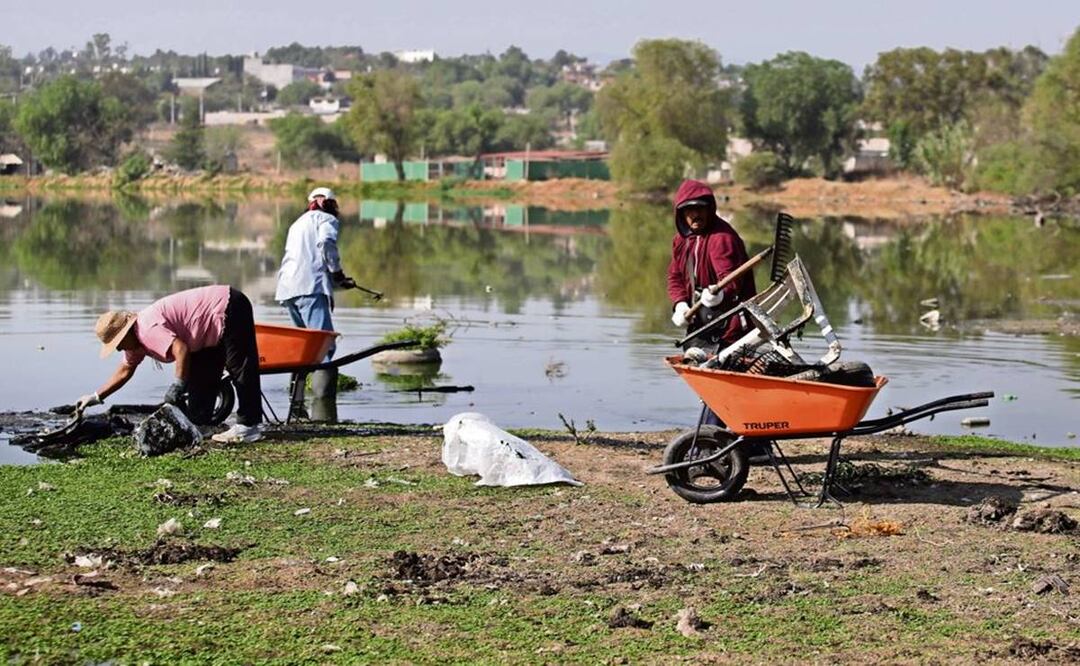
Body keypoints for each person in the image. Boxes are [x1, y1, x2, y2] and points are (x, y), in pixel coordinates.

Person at [74, 285, 263, 443]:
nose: (118, 349)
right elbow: (125, 370)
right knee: (201, 373)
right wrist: (95, 397)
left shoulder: (146, 329)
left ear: (126, 333)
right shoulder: (134, 344)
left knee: (240, 367)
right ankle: (201, 424)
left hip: (228, 306)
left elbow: (181, 349)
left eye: (118, 344)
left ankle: (249, 426)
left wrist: (177, 385)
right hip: (205, 331)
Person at [667, 179, 758, 437]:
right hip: (704, 321)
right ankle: (754, 443)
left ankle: (709, 440)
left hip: (731, 321)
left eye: (700, 208)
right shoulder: (681, 241)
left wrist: (718, 296)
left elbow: (731, 280)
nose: (695, 215)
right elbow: (674, 277)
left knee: (719, 379)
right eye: (689, 210)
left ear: (710, 209)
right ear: (681, 213)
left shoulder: (722, 238)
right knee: (722, 380)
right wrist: (680, 303)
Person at [274, 187, 357, 360]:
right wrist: (337, 272)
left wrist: (338, 282)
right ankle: (323, 387)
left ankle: (298, 386)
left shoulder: (297, 223)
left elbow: (308, 260)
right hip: (309, 288)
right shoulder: (327, 219)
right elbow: (326, 243)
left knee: (305, 346)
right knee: (324, 346)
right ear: (330, 204)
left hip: (287, 289)